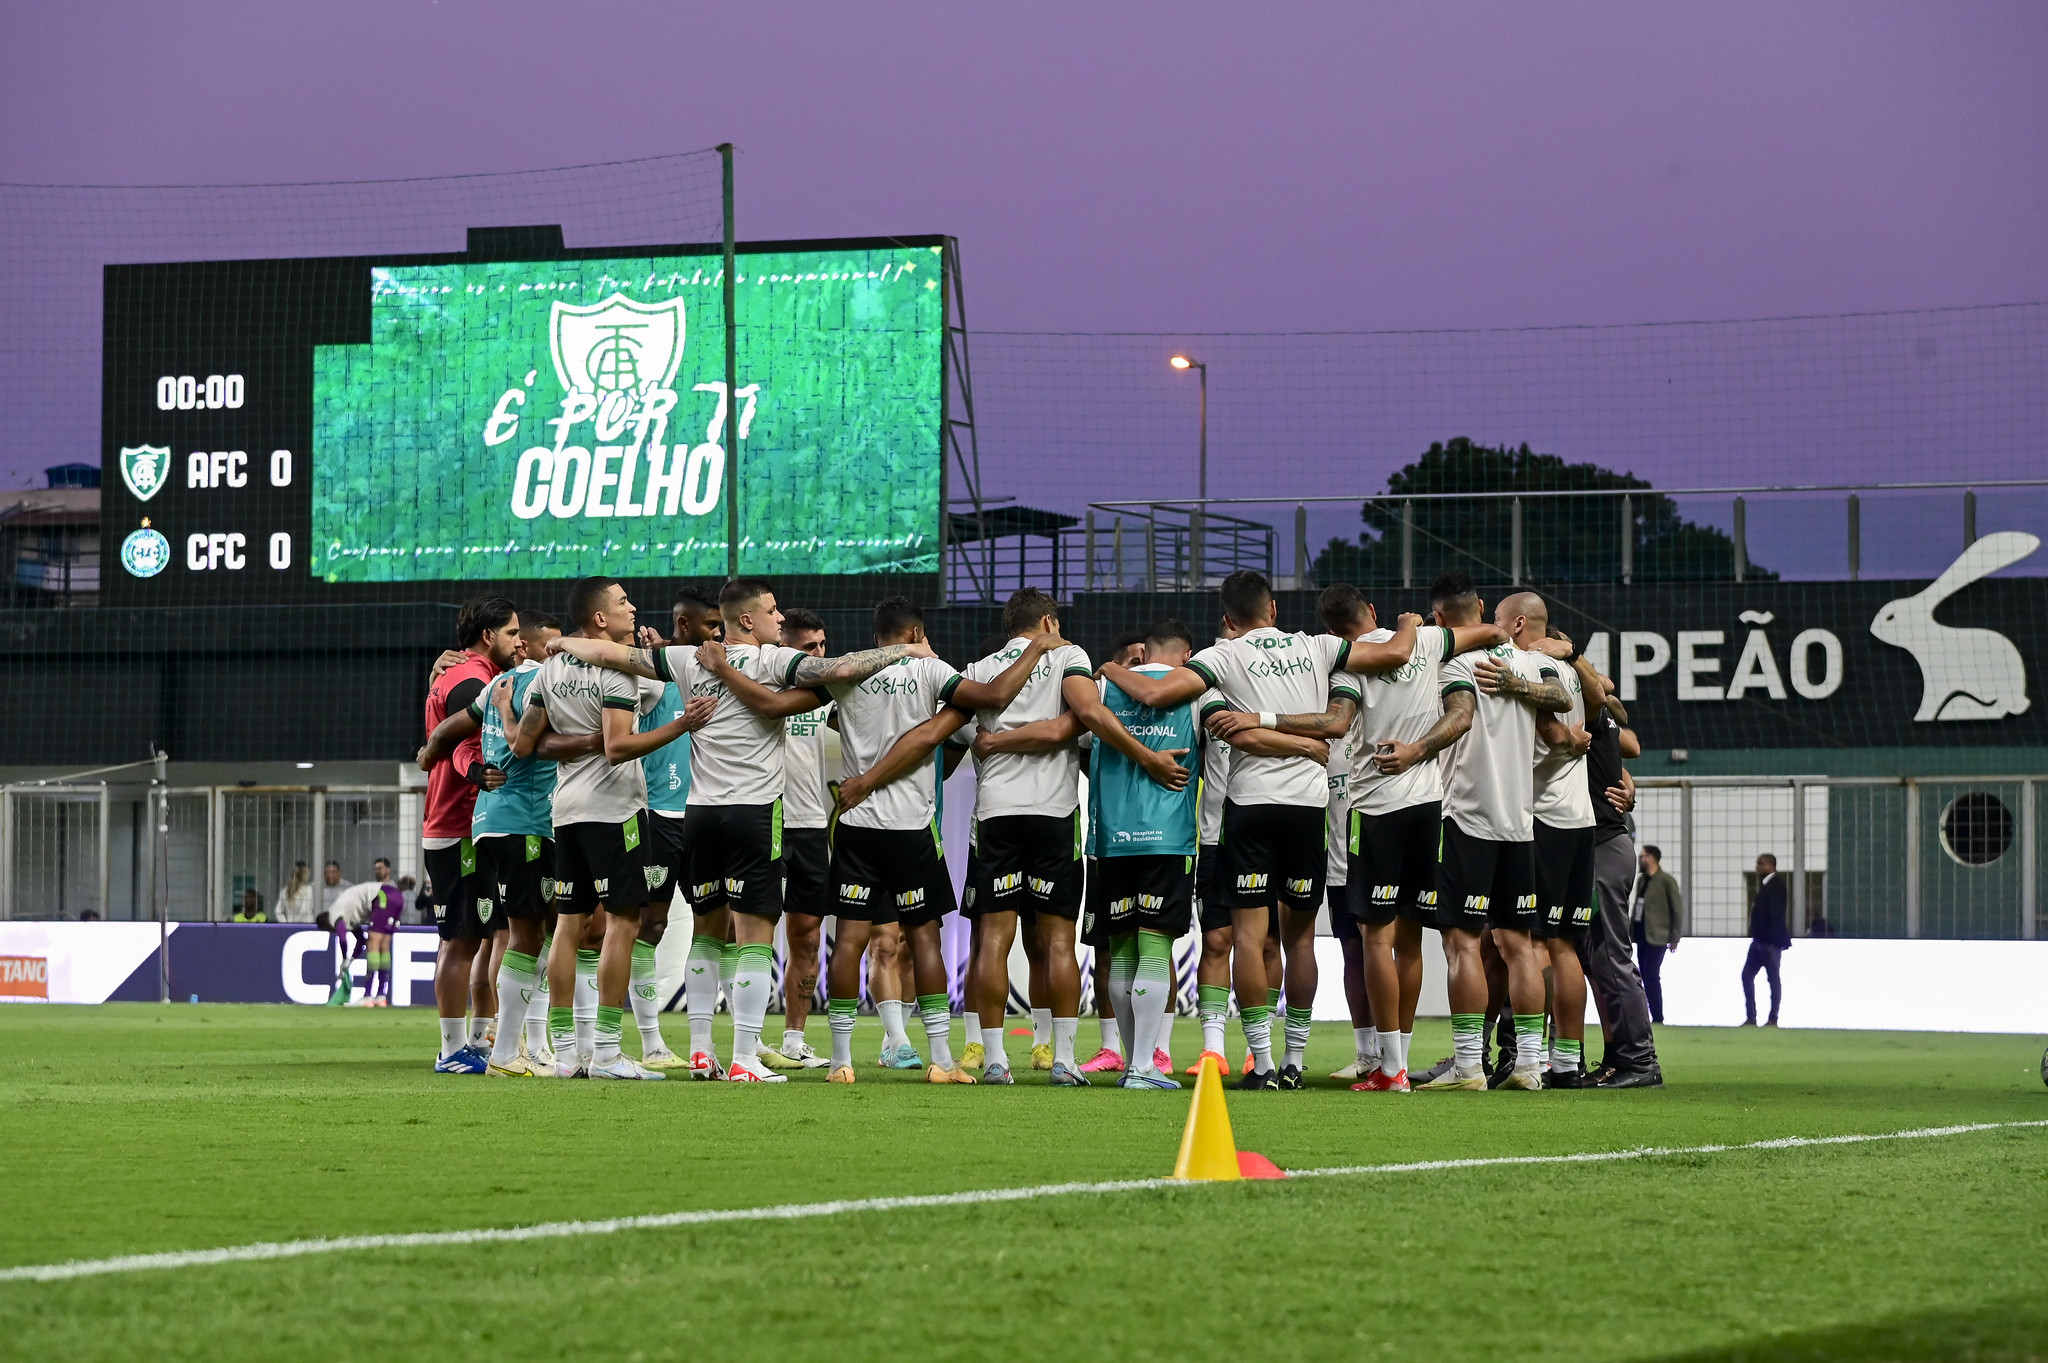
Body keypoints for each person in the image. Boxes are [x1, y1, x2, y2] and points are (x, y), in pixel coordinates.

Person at [552, 583, 963, 1081]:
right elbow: (841, 670)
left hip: (699, 814)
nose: (779, 617)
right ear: (747, 621)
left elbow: (610, 653)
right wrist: (908, 649)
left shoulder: (686, 659)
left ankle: (702, 1050)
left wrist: (564, 643)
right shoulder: (772, 661)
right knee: (752, 938)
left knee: (706, 934)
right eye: (772, 610)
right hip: (753, 814)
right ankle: (745, 1057)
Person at [1102, 569, 1416, 1090]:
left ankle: (1263, 1064)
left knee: (1247, 939)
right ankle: (1294, 1060)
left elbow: (1155, 695)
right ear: (1273, 610)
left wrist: (1113, 667)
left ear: (1228, 620)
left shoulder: (1221, 657)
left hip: (1249, 808)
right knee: (1298, 940)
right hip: (1307, 808)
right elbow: (1392, 655)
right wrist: (1408, 625)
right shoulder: (1315, 646)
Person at [789, 596, 1056, 1085]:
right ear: (917, 633)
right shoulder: (934, 672)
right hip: (911, 828)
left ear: (877, 638)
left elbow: (804, 685)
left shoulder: (847, 674)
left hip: (856, 826)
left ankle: (840, 1062)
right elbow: (992, 698)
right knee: (925, 939)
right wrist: (1036, 650)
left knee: (849, 942)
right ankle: (940, 1061)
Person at [960, 602, 1192, 1086]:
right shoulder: (1069, 658)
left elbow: (966, 736)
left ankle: (997, 1059)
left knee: (993, 941)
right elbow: (1084, 716)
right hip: (1053, 813)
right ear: (1049, 623)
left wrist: (999, 741)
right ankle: (1064, 1059)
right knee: (1058, 941)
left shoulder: (980, 669)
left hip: (996, 811)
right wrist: (1149, 758)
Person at [1313, 583, 1503, 1092]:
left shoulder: (1349, 663)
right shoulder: (1426, 642)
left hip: (1375, 810)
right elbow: (1490, 632)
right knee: (1412, 940)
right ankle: (1404, 1058)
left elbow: (1338, 723)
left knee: (1376, 939)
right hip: (1428, 808)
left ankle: (1390, 1066)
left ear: (1333, 631)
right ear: (1371, 610)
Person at [515, 577, 705, 1080]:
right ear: (600, 619)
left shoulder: (549, 669)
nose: (633, 607)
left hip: (566, 810)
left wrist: (525, 726)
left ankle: (563, 1052)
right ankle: (605, 1051)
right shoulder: (616, 674)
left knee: (569, 924)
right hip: (614, 810)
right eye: (622, 602)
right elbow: (619, 746)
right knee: (623, 924)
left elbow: (525, 743)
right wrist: (680, 727)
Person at [1407, 577, 1578, 1092]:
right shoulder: (1527, 661)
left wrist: (1415, 751)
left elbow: (1459, 717)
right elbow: (1560, 699)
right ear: (1480, 608)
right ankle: (1529, 1065)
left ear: (1440, 621)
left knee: (1461, 945)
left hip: (1467, 818)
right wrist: (1524, 688)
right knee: (1519, 945)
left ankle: (1468, 1066)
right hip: (1519, 823)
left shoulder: (1455, 662)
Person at [413, 594, 521, 1074]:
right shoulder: (471, 680)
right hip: (457, 824)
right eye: (513, 634)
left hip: (466, 823)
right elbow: (460, 747)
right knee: (460, 940)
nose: (518, 643)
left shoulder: (460, 675)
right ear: (487, 635)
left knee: (479, 936)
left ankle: (477, 1040)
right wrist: (478, 770)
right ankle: (452, 1050)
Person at [638, 589, 721, 1072]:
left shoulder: (727, 672)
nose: (718, 632)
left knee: (719, 926)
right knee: (650, 925)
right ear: (683, 627)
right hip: (658, 819)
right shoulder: (650, 671)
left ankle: (706, 1045)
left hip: (708, 817)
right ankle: (650, 1041)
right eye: (709, 625)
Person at [1576, 673, 1663, 1088]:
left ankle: (1640, 1061)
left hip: (1602, 846)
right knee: (1597, 958)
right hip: (1598, 845)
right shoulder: (1596, 720)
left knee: (1611, 955)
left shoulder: (1590, 716)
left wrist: (1573, 657)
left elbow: (1627, 744)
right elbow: (1629, 748)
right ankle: (1617, 1058)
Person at [769, 606, 835, 1070]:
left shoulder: (829, 695)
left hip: (811, 826)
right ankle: (740, 1041)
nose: (818, 654)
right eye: (808, 647)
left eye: (822, 646)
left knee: (808, 938)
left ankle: (794, 1039)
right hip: (761, 819)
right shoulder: (759, 684)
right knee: (738, 934)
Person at [1633, 845, 1684, 1025]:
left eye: (1643, 855)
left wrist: (1675, 937)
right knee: (1643, 975)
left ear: (1652, 858)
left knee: (1651, 974)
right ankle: (1645, 1014)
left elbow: (1677, 910)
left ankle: (1657, 1015)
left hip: (1658, 936)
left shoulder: (1666, 881)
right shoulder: (1642, 881)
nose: (1641, 858)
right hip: (1641, 935)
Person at [1743, 853, 1790, 1026]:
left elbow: (1775, 916)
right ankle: (1753, 1017)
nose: (1757, 867)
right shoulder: (1768, 885)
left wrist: (1767, 939)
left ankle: (1771, 1018)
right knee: (1749, 976)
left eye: (1761, 864)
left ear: (1770, 865)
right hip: (1760, 942)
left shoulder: (1775, 886)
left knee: (1771, 979)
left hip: (1768, 943)